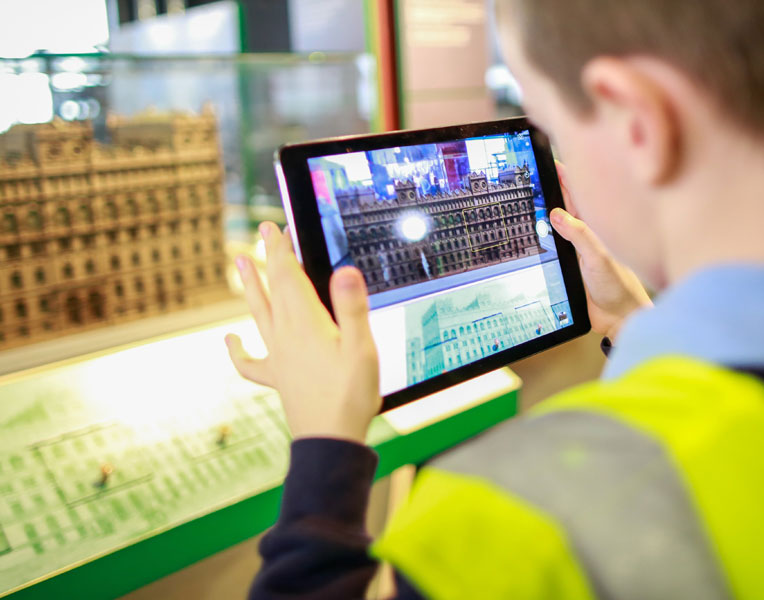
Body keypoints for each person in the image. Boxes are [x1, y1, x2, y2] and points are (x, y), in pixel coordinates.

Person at [225, 0, 764, 597]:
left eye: (555, 131)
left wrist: (326, 447)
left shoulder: (502, 516)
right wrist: (627, 328)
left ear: (637, 120)